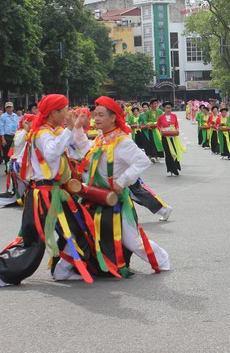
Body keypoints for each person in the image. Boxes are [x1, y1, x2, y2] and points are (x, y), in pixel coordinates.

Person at [0, 94, 96, 286]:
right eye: (65, 109)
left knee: (77, 228)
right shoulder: (42, 133)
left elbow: (78, 151)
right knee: (35, 241)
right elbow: (52, 154)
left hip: (54, 192)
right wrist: (69, 128)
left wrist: (75, 128)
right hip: (45, 194)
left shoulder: (52, 131)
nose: (68, 113)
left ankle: (62, 269)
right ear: (54, 113)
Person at [51, 96, 170, 282]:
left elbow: (142, 160)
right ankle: (63, 269)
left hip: (114, 200)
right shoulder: (101, 138)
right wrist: (78, 128)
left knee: (132, 241)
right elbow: (84, 151)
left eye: (101, 115)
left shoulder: (122, 141)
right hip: (94, 197)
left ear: (113, 117)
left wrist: (122, 181)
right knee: (81, 231)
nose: (96, 118)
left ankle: (161, 261)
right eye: (95, 115)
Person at [0, 114, 35, 208]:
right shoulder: (21, 132)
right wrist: (25, 130)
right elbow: (18, 142)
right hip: (19, 165)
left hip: (23, 164)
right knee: (23, 188)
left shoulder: (29, 132)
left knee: (22, 189)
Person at [157, 101, 184, 176]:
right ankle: (170, 169)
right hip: (165, 136)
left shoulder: (174, 116)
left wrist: (177, 129)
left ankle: (176, 167)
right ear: (164, 108)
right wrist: (161, 130)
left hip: (173, 136)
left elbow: (176, 125)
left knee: (174, 152)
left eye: (170, 108)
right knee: (168, 153)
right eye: (167, 108)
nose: (168, 109)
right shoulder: (161, 117)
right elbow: (158, 125)